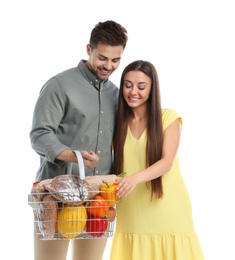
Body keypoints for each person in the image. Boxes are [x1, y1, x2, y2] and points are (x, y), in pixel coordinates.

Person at [29, 20, 128, 260]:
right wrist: (74, 156)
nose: (109, 66)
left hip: (99, 197)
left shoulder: (117, 93)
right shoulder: (59, 85)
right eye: (103, 58)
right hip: (57, 192)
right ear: (88, 49)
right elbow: (39, 135)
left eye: (115, 60)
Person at [110, 60, 204, 260]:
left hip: (166, 206)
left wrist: (134, 179)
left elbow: (166, 162)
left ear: (152, 89)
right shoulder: (117, 123)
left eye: (141, 87)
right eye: (127, 85)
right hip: (131, 212)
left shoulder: (168, 118)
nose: (133, 91)